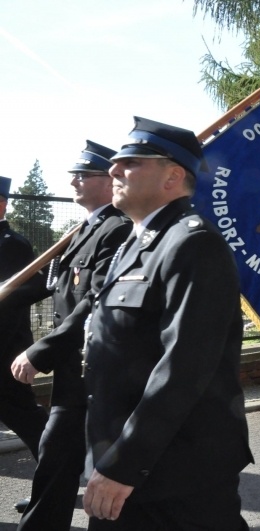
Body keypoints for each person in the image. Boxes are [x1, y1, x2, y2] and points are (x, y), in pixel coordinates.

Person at [12, 117, 253, 529]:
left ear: (172, 177)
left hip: (175, 472)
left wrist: (124, 463)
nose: (114, 170)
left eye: (131, 162)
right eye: (116, 163)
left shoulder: (193, 243)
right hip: (125, 461)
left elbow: (184, 369)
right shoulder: (136, 243)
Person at [12, 141, 132, 530]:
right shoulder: (85, 229)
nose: (74, 181)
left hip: (97, 370)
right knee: (55, 455)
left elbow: (93, 303)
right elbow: (57, 289)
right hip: (73, 370)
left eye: (84, 174)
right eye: (74, 174)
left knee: (108, 470)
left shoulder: (117, 230)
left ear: (108, 181)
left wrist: (40, 351)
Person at [0, 176, 48, 463]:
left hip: (5, 350)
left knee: (26, 418)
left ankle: (58, 471)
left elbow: (14, 303)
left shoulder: (12, 245)